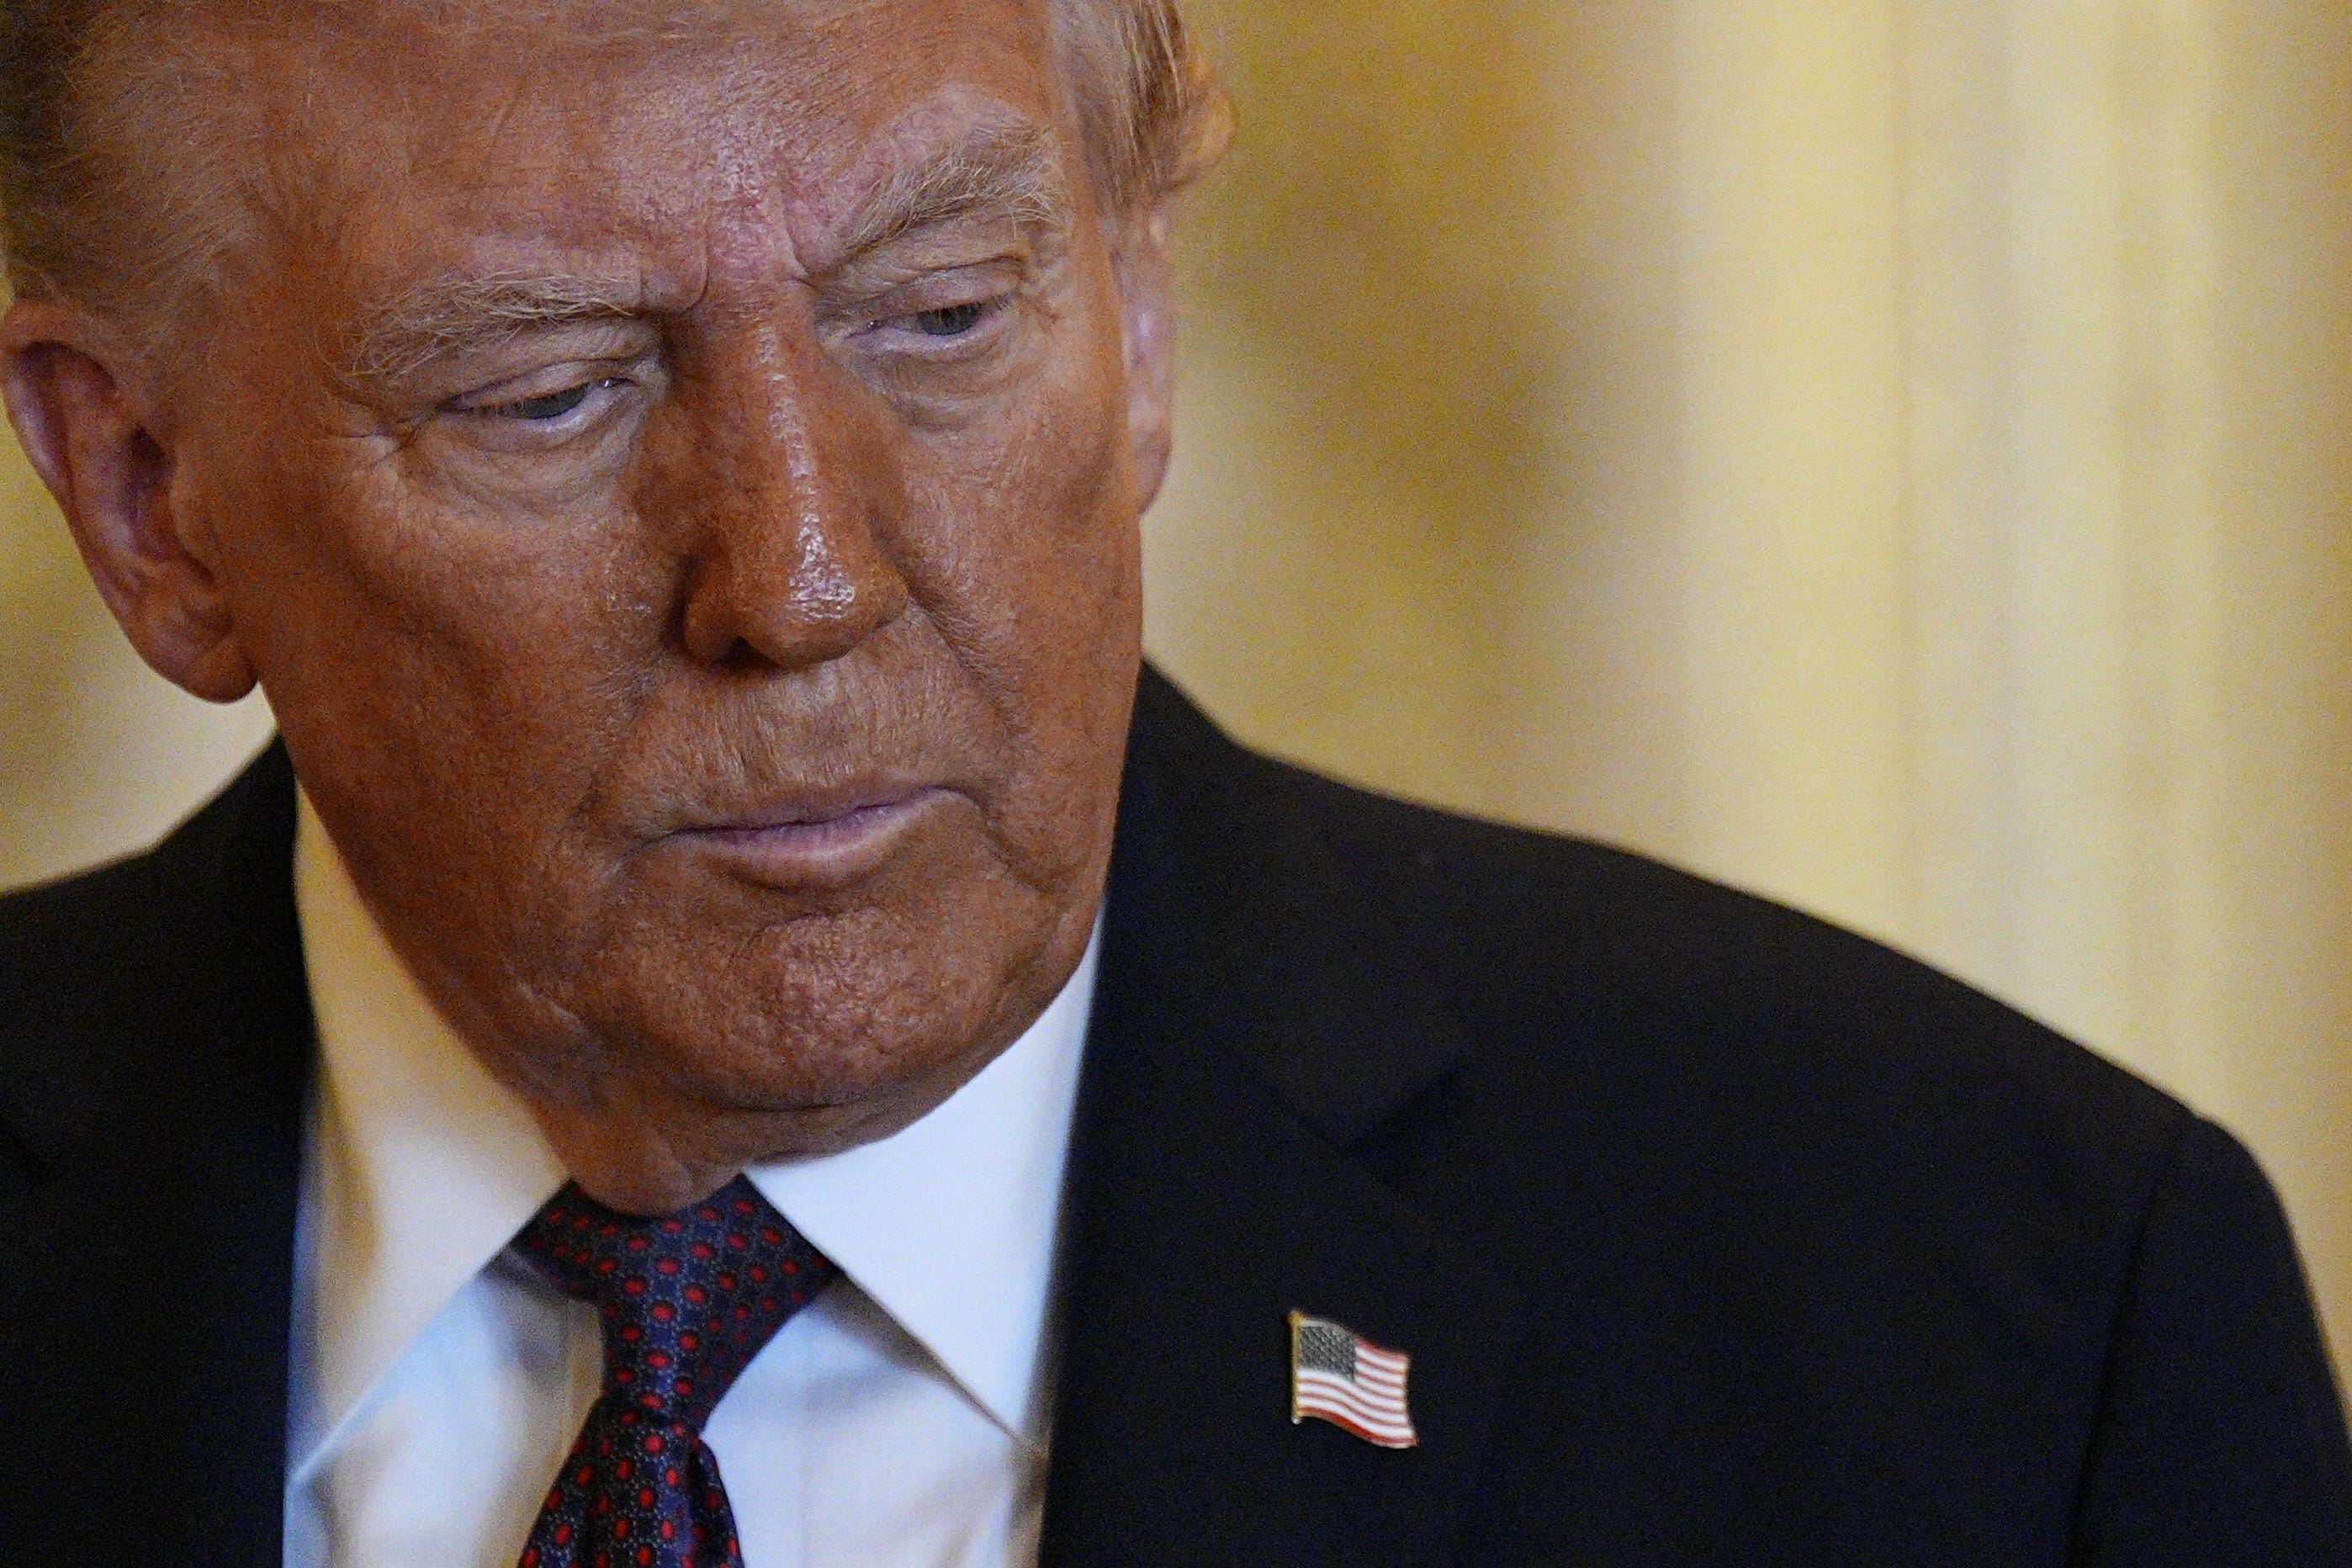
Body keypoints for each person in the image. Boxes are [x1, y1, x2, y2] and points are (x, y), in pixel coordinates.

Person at [0, 0, 2345, 1563]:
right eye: (546, 394)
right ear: (143, 502)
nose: (800, 580)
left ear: (1136, 320)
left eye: (940, 315)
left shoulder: (1998, 1345)